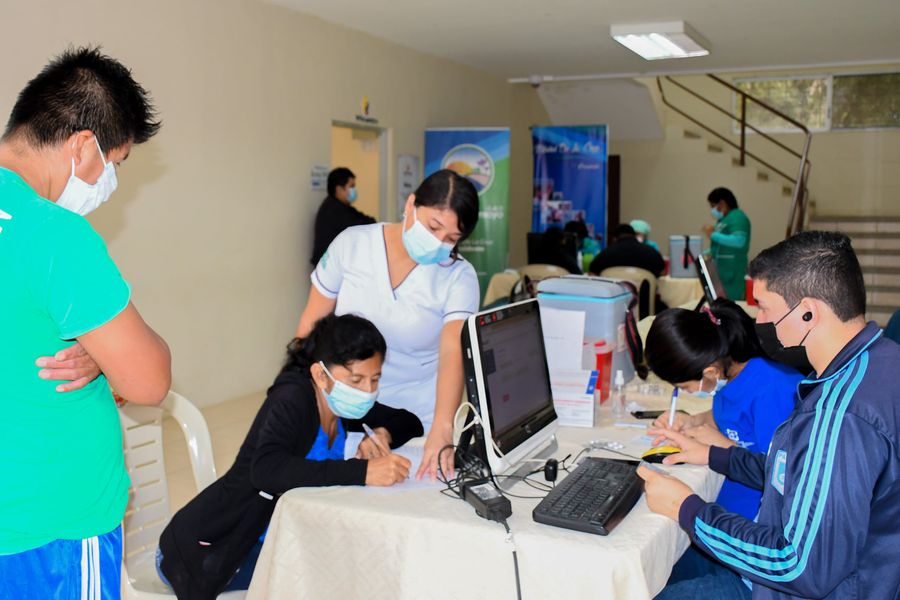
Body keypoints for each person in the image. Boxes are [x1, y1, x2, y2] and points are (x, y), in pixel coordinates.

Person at [639, 231, 900, 600]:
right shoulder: (879, 361)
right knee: (661, 565)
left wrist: (687, 508)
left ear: (808, 312)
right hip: (851, 573)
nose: (757, 320)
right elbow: (799, 477)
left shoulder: (840, 415)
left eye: (763, 307)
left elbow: (797, 566)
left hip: (795, 587)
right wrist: (716, 456)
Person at [0, 47, 171, 596]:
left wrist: (98, 354)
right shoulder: (53, 234)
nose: (109, 180)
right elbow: (148, 381)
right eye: (114, 163)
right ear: (80, 145)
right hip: (49, 521)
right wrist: (107, 356)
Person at [158, 314, 422, 599]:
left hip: (276, 537)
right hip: (210, 547)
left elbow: (410, 421)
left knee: (360, 560)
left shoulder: (344, 404)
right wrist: (363, 471)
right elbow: (267, 471)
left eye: (375, 379)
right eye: (357, 380)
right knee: (338, 574)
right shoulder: (293, 399)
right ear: (321, 375)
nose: (368, 392)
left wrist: (382, 434)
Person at [297, 169, 480, 480]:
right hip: (345, 403)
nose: (437, 243)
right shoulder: (352, 244)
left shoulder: (459, 276)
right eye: (433, 227)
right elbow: (311, 324)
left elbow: (453, 350)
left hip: (415, 418)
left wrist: (443, 426)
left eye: (451, 239)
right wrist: (295, 392)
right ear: (411, 205)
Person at [645, 299, 801, 519]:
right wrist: (695, 420)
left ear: (710, 373)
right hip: (728, 495)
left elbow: (782, 476)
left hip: (757, 517)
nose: (685, 392)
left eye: (684, 387)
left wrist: (723, 448)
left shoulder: (774, 392)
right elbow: (734, 417)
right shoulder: (728, 373)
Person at [310, 167, 376, 266]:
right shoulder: (333, 210)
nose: (354, 190)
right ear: (339, 189)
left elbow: (367, 221)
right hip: (328, 266)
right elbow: (360, 226)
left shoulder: (342, 207)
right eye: (351, 186)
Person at [703, 187, 751, 300]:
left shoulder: (738, 217)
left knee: (731, 305)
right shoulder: (723, 220)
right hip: (721, 272)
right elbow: (720, 247)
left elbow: (739, 241)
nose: (712, 210)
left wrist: (713, 234)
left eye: (713, 205)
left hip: (732, 273)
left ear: (722, 203)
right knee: (720, 304)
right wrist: (704, 253)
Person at [588, 223, 665, 277]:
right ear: (634, 236)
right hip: (645, 295)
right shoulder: (651, 253)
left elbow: (592, 273)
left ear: (614, 238)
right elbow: (662, 273)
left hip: (616, 296)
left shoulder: (606, 253)